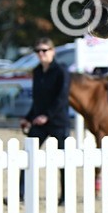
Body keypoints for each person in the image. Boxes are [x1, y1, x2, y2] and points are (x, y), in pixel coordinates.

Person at [19, 38, 71, 204]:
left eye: (44, 50)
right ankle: (21, 194)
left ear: (52, 51)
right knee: (27, 156)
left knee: (63, 161)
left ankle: (64, 196)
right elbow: (37, 100)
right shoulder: (37, 72)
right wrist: (28, 117)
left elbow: (61, 98)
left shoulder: (62, 71)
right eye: (38, 51)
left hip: (58, 121)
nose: (41, 54)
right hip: (39, 122)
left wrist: (47, 115)